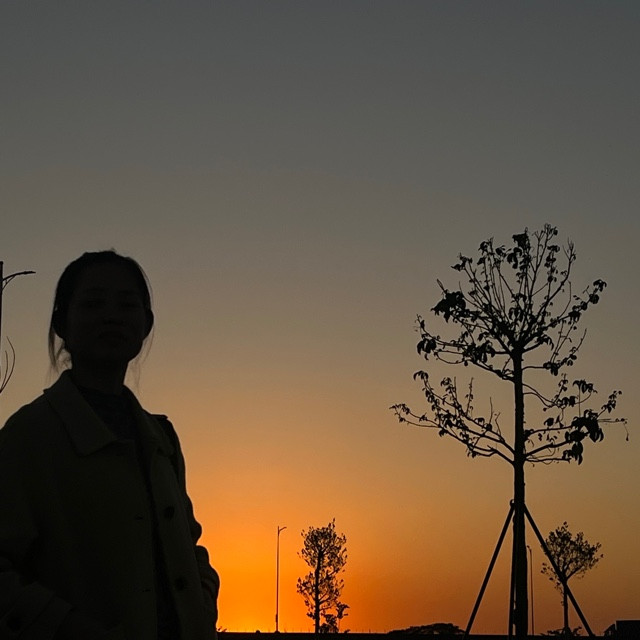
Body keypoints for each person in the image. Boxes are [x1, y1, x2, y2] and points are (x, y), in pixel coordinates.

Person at [0, 251, 219, 640]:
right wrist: (68, 627)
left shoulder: (161, 438)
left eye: (127, 305)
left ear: (146, 324)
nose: (111, 317)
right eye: (93, 304)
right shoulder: (27, 436)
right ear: (61, 322)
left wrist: (201, 604)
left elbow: (188, 544)